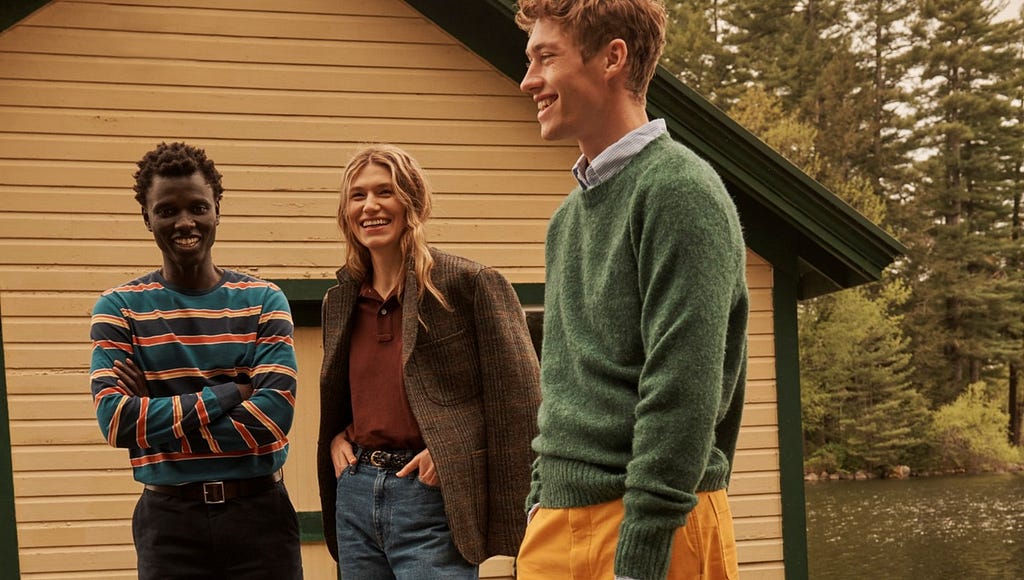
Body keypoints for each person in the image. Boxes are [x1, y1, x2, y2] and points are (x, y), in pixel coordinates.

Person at [514, 1, 750, 579]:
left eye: (547, 57)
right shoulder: (567, 220)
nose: (529, 80)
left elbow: (685, 388)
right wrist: (540, 498)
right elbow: (566, 378)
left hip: (652, 530)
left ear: (611, 57)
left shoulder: (680, 191)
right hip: (557, 525)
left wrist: (641, 554)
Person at [316, 144, 541, 579]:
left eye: (385, 192)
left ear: (412, 202)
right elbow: (354, 394)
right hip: (355, 495)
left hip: (429, 499)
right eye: (357, 196)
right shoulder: (339, 300)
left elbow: (519, 402)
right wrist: (337, 439)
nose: (370, 206)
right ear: (346, 213)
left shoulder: (469, 284)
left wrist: (449, 450)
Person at [89, 141, 302, 579]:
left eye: (198, 208)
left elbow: (272, 420)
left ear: (217, 209)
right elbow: (116, 422)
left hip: (260, 517)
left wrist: (156, 419)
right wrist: (232, 392)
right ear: (146, 217)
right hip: (169, 523)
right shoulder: (119, 308)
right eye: (167, 210)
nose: (185, 222)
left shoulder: (263, 301)